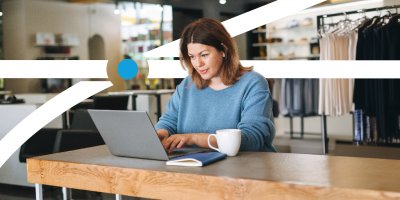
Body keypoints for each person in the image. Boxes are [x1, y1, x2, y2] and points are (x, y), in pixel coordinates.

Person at [155, 18, 276, 153]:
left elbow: (252, 139)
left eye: (204, 55)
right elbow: (170, 120)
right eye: (192, 56)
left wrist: (194, 139)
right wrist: (162, 133)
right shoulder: (187, 85)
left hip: (246, 169)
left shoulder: (253, 84)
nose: (198, 63)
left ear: (223, 50)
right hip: (196, 167)